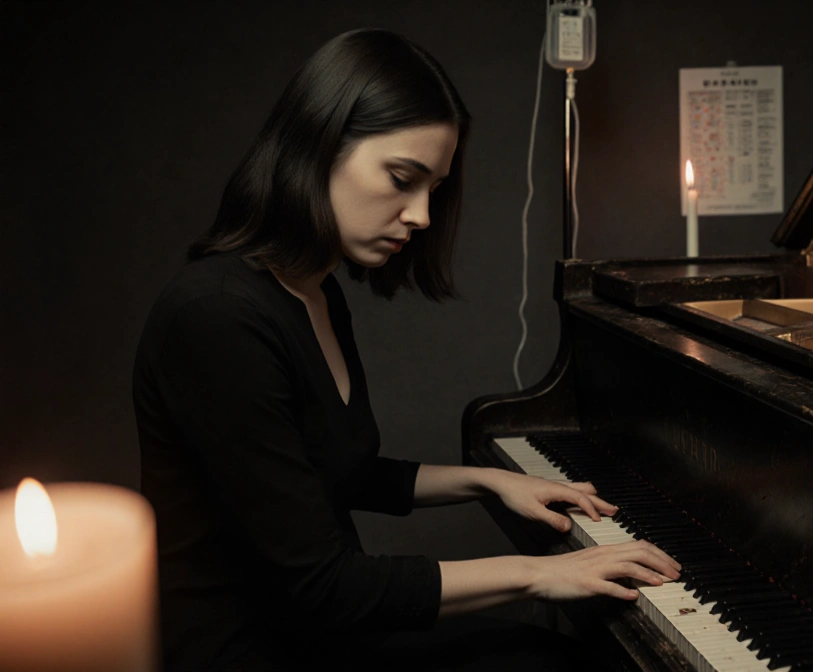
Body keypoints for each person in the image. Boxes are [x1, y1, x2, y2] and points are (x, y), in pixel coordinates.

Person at [133, 28, 679, 671]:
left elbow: (336, 470)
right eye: (402, 178)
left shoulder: (315, 293)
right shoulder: (216, 317)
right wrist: (538, 574)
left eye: (434, 190)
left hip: (324, 635)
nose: (421, 215)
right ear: (317, 145)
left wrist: (489, 480)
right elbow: (325, 588)